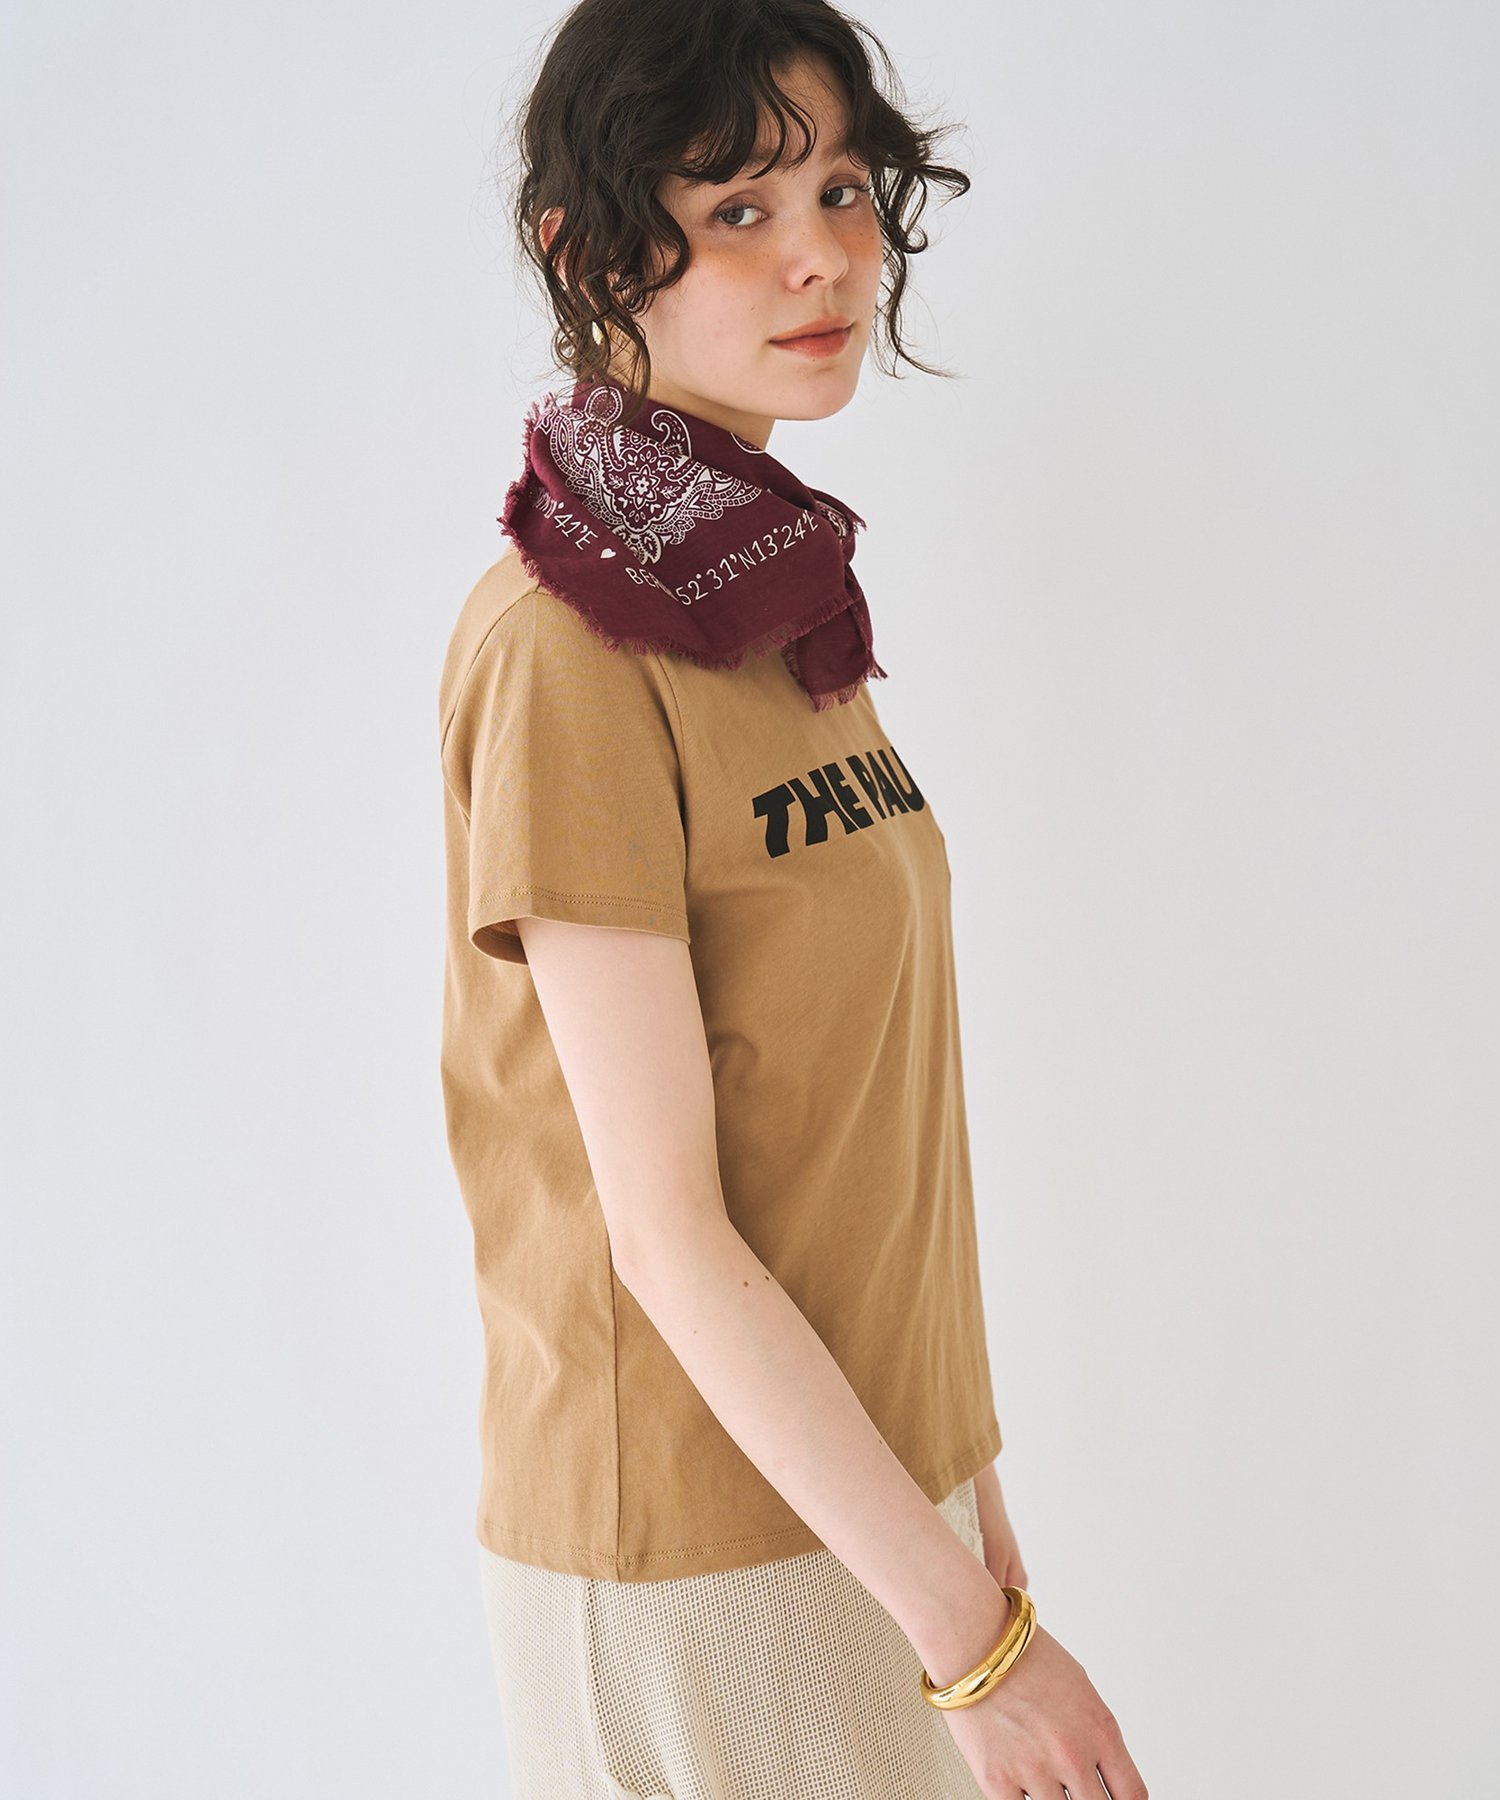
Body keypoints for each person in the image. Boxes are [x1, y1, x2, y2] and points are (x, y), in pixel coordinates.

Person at [436, 2, 1149, 1795]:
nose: (825, 254)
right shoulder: (569, 649)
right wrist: (976, 1642)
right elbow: (665, 1233)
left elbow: (846, 1126)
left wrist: (965, 1505)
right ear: (585, 251)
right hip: (700, 1557)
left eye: (840, 188)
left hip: (866, 1512)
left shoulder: (768, 602)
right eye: (737, 208)